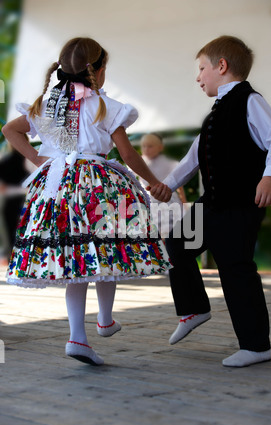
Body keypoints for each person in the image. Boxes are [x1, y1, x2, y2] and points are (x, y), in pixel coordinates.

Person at [2, 37, 172, 366]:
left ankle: (77, 337)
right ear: (99, 70)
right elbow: (126, 153)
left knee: (75, 262)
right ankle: (105, 319)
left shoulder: (46, 104)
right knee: (107, 251)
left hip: (58, 186)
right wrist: (153, 182)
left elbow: (11, 130)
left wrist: (41, 160)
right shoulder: (105, 106)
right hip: (100, 185)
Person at [150, 35, 271, 367]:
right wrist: (166, 186)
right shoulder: (214, 115)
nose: (198, 77)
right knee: (176, 245)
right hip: (211, 204)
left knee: (235, 269)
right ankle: (194, 308)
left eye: (201, 68)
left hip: (240, 206)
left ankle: (256, 346)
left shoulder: (249, 101)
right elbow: (191, 159)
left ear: (221, 67)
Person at [139, 133, 187, 237]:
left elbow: (179, 186)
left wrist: (184, 202)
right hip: (149, 203)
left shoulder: (170, 163)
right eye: (144, 146)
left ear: (160, 147)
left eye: (150, 146)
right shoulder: (137, 163)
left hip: (169, 202)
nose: (146, 149)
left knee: (174, 236)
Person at [0, 142, 31, 261]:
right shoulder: (28, 161)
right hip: (22, 203)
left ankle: (14, 263)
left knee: (14, 238)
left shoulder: (8, 161)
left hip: (15, 203)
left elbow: (3, 188)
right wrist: (25, 191)